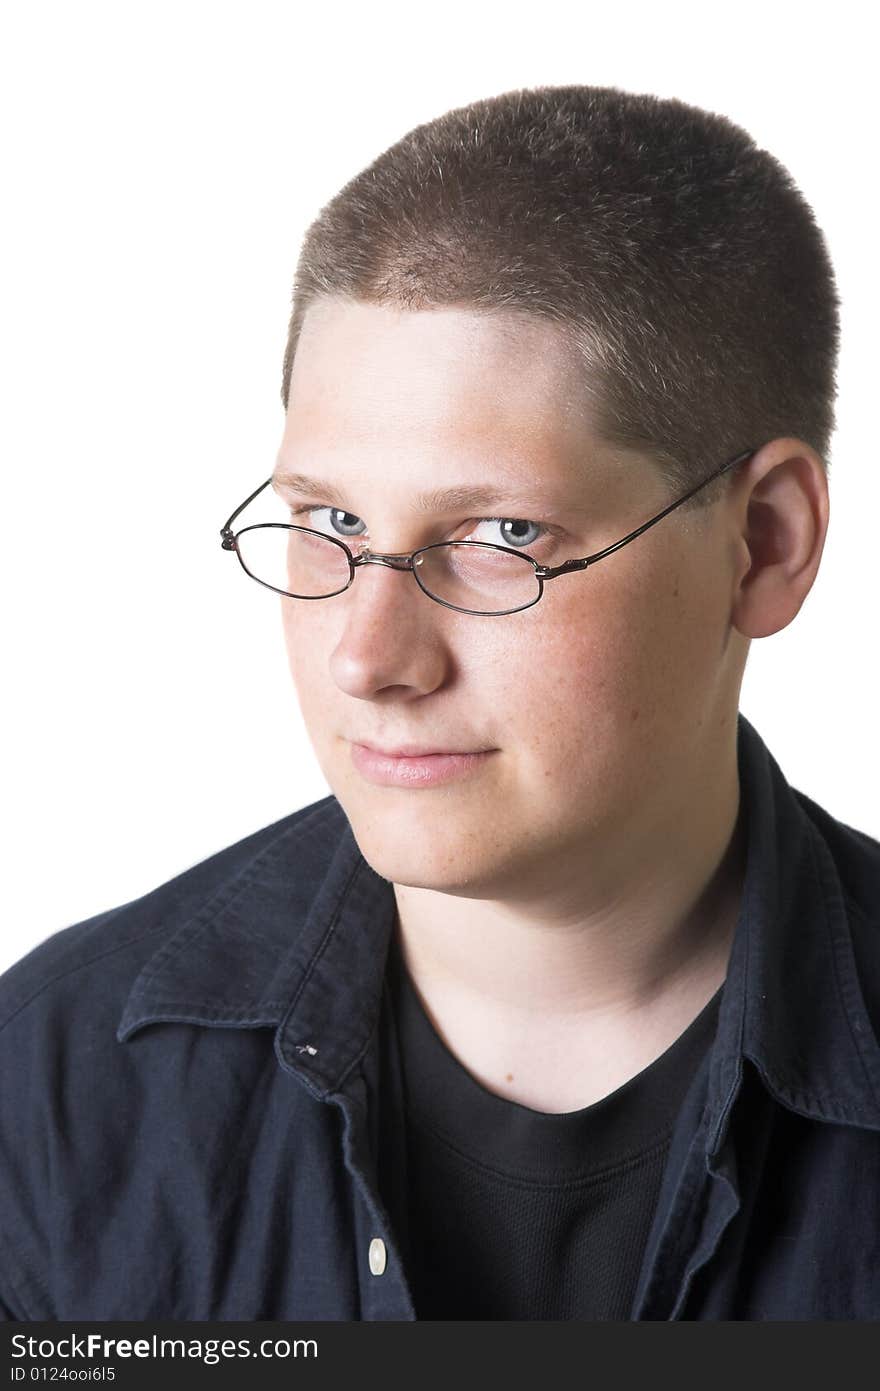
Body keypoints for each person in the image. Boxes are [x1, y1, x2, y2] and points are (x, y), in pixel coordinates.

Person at [2, 82, 878, 1324]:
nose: (367, 656)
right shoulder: (51, 1091)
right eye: (331, 521)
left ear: (764, 545)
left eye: (498, 534)